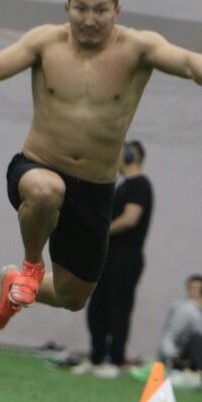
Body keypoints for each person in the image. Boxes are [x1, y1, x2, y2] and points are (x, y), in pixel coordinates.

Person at [0, 0, 202, 331]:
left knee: (72, 297)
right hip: (36, 167)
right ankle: (30, 268)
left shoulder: (138, 47)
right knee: (46, 190)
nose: (90, 19)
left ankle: (13, 286)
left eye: (101, 10)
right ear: (67, 8)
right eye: (81, 9)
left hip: (94, 188)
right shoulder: (46, 41)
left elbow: (186, 59)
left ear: (117, 11)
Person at [83, 139, 153, 375]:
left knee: (118, 308)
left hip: (126, 256)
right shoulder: (122, 186)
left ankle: (114, 361)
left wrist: (102, 231)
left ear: (130, 156)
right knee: (97, 306)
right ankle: (96, 357)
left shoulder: (140, 185)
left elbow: (130, 218)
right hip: (108, 255)